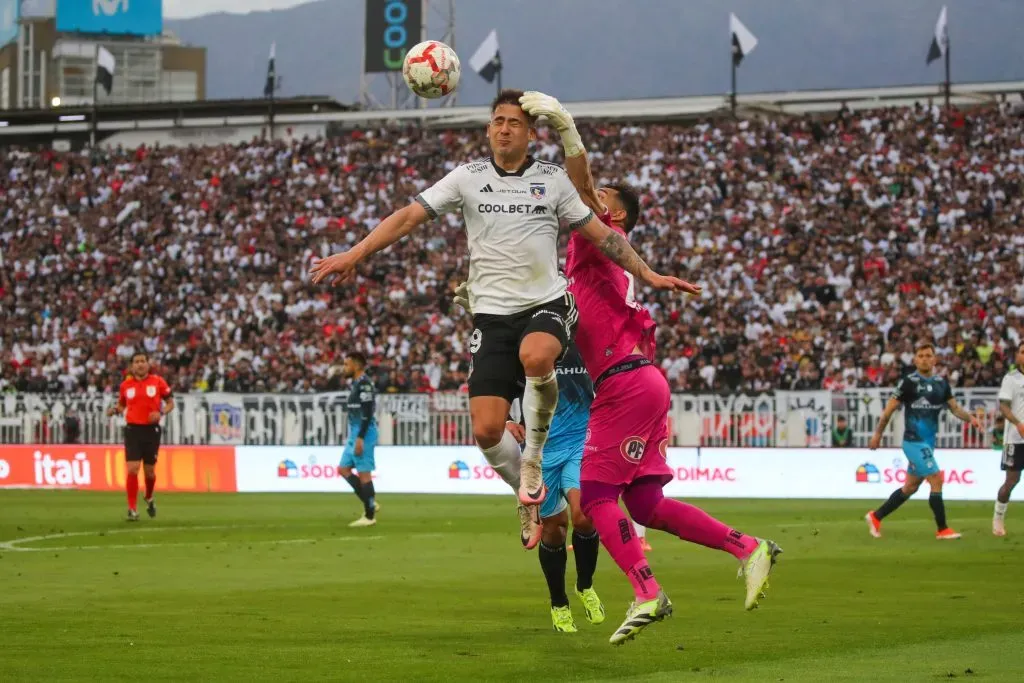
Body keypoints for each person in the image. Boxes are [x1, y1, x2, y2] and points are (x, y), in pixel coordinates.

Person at [310, 89, 691, 516]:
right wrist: (355, 253)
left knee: (537, 355)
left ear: (531, 134)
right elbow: (408, 217)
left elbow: (603, 236)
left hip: (546, 302)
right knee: (488, 429)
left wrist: (648, 274)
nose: (504, 129)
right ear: (488, 129)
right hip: (491, 315)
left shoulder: (552, 179)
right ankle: (533, 503)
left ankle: (533, 457)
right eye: (498, 121)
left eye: (514, 123)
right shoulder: (466, 177)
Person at [519, 91, 780, 645]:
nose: (589, 199)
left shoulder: (596, 244)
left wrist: (566, 129)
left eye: (601, 198)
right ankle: (748, 547)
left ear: (611, 214)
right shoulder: (600, 255)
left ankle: (646, 592)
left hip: (624, 383)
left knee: (595, 495)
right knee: (645, 504)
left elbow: (581, 188)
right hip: (642, 381)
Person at [454, 284, 604, 631]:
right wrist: (508, 419)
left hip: (581, 441)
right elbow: (500, 376)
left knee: (584, 516)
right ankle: (558, 602)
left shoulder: (583, 340)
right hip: (542, 448)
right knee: (554, 528)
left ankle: (585, 586)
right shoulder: (529, 342)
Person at [866, 342, 982, 540]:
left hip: (928, 443)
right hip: (913, 442)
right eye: (921, 356)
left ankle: (876, 517)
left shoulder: (941, 383)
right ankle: (942, 529)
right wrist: (878, 434)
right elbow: (889, 410)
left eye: (928, 355)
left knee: (910, 487)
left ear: (934, 359)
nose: (925, 359)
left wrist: (970, 418)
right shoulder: (908, 382)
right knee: (936, 479)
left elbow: (954, 408)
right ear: (915, 360)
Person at [106, 352, 173, 521]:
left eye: (143, 361)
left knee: (149, 473)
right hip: (133, 430)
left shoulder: (158, 381)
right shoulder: (126, 385)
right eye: (136, 362)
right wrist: (114, 410)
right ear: (132, 366)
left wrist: (161, 413)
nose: (140, 364)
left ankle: (149, 496)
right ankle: (132, 509)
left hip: (151, 430)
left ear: (148, 364)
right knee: (132, 469)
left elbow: (170, 403)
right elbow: (122, 405)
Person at [337, 352, 380, 528]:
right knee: (343, 469)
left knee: (364, 474)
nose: (344, 368)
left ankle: (369, 516)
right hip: (354, 433)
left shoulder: (365, 385)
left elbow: (368, 413)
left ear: (356, 366)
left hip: (364, 433)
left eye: (346, 364)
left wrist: (361, 438)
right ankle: (370, 501)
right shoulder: (356, 384)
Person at [993, 342, 1024, 536]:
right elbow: (1004, 407)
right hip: (1015, 438)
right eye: (1023, 352)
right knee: (1012, 480)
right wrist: (1018, 424)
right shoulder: (1011, 379)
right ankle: (998, 518)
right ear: (1018, 356)